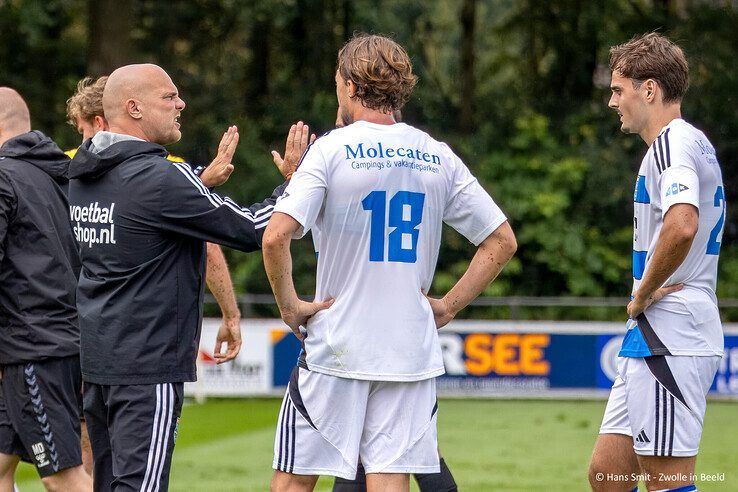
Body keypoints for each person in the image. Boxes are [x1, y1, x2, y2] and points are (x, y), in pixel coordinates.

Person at [262, 34, 516, 492]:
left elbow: (276, 236)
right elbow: (501, 240)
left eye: (338, 79)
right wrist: (448, 306)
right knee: (389, 479)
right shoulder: (436, 153)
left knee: (294, 483)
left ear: (350, 86)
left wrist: (290, 306)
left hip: (337, 346)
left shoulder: (331, 149)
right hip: (408, 351)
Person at [66, 63, 306, 491]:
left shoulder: (86, 175)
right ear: (134, 107)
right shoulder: (160, 176)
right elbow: (254, 229)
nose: (181, 104)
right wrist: (295, 181)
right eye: (169, 96)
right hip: (147, 369)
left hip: (99, 364)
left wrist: (198, 185)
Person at [589, 33, 725, 492]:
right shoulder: (692, 143)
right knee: (607, 475)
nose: (612, 102)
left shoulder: (672, 144)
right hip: (651, 336)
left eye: (617, 90)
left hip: (671, 332)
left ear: (649, 90)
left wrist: (643, 292)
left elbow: (682, 223)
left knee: (666, 482)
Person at [330, 108, 457, 492]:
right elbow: (501, 237)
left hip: (352, 337)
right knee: (406, 458)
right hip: (403, 339)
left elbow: (284, 237)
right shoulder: (428, 157)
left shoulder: (340, 158)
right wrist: (449, 304)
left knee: (357, 459)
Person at [0, 87, 92, 491]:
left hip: (34, 350)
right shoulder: (54, 173)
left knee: (62, 477)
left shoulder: (3, 176)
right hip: (65, 342)